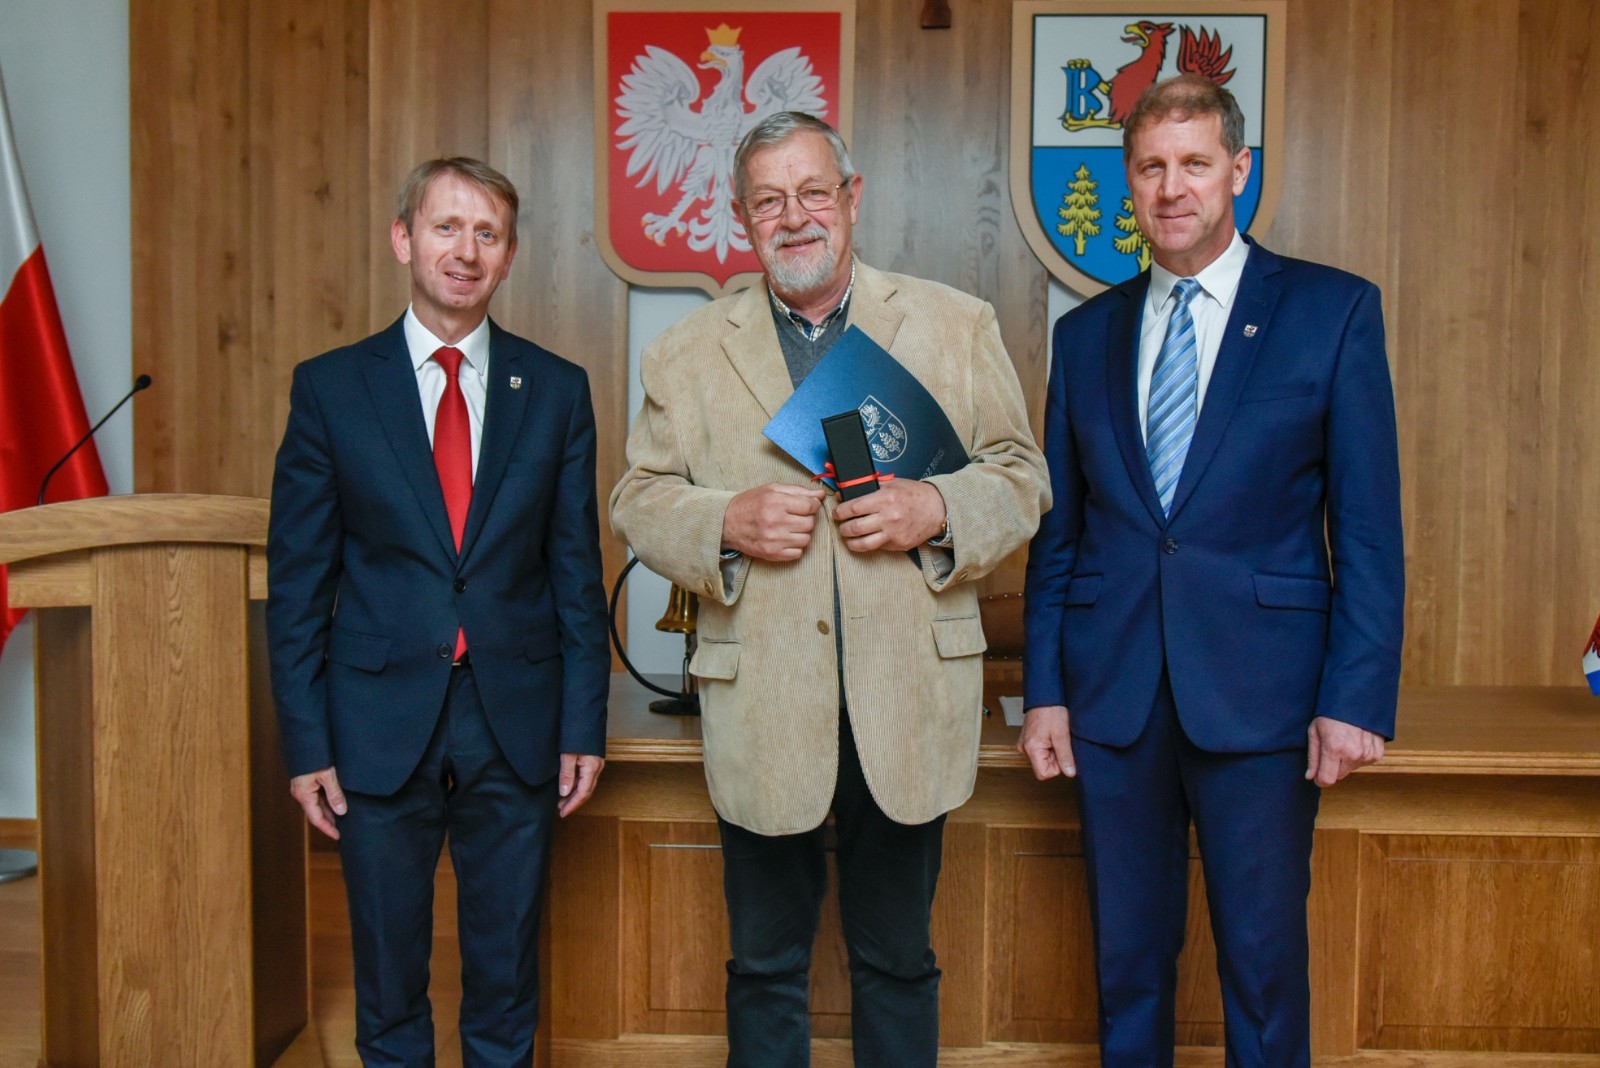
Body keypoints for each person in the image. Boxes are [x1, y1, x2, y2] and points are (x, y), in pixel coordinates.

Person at [610, 111, 1049, 1067]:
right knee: (765, 966)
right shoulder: (685, 353)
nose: (795, 216)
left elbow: (1023, 478)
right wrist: (724, 522)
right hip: (764, 704)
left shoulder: (954, 324)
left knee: (898, 961)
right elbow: (638, 500)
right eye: (769, 200)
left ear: (852, 199)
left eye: (814, 192)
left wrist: (934, 506)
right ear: (742, 218)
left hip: (909, 702)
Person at [1020, 74, 1404, 1067]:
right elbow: (1060, 535)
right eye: (1150, 167)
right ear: (1128, 181)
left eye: (1194, 163)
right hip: (1112, 700)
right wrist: (1046, 691)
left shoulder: (1331, 311)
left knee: (1263, 971)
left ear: (1239, 170)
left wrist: (1354, 697)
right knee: (1127, 969)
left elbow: (1367, 528)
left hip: (1265, 699)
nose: (1171, 187)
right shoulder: (1083, 336)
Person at [266, 157, 609, 1068]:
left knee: (506, 981)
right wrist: (306, 745)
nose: (466, 251)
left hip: (515, 721)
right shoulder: (331, 388)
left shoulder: (557, 389)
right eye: (446, 227)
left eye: (487, 233)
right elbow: (298, 586)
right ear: (403, 239)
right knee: (387, 982)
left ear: (509, 256)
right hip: (376, 723)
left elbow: (577, 574)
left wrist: (584, 724)